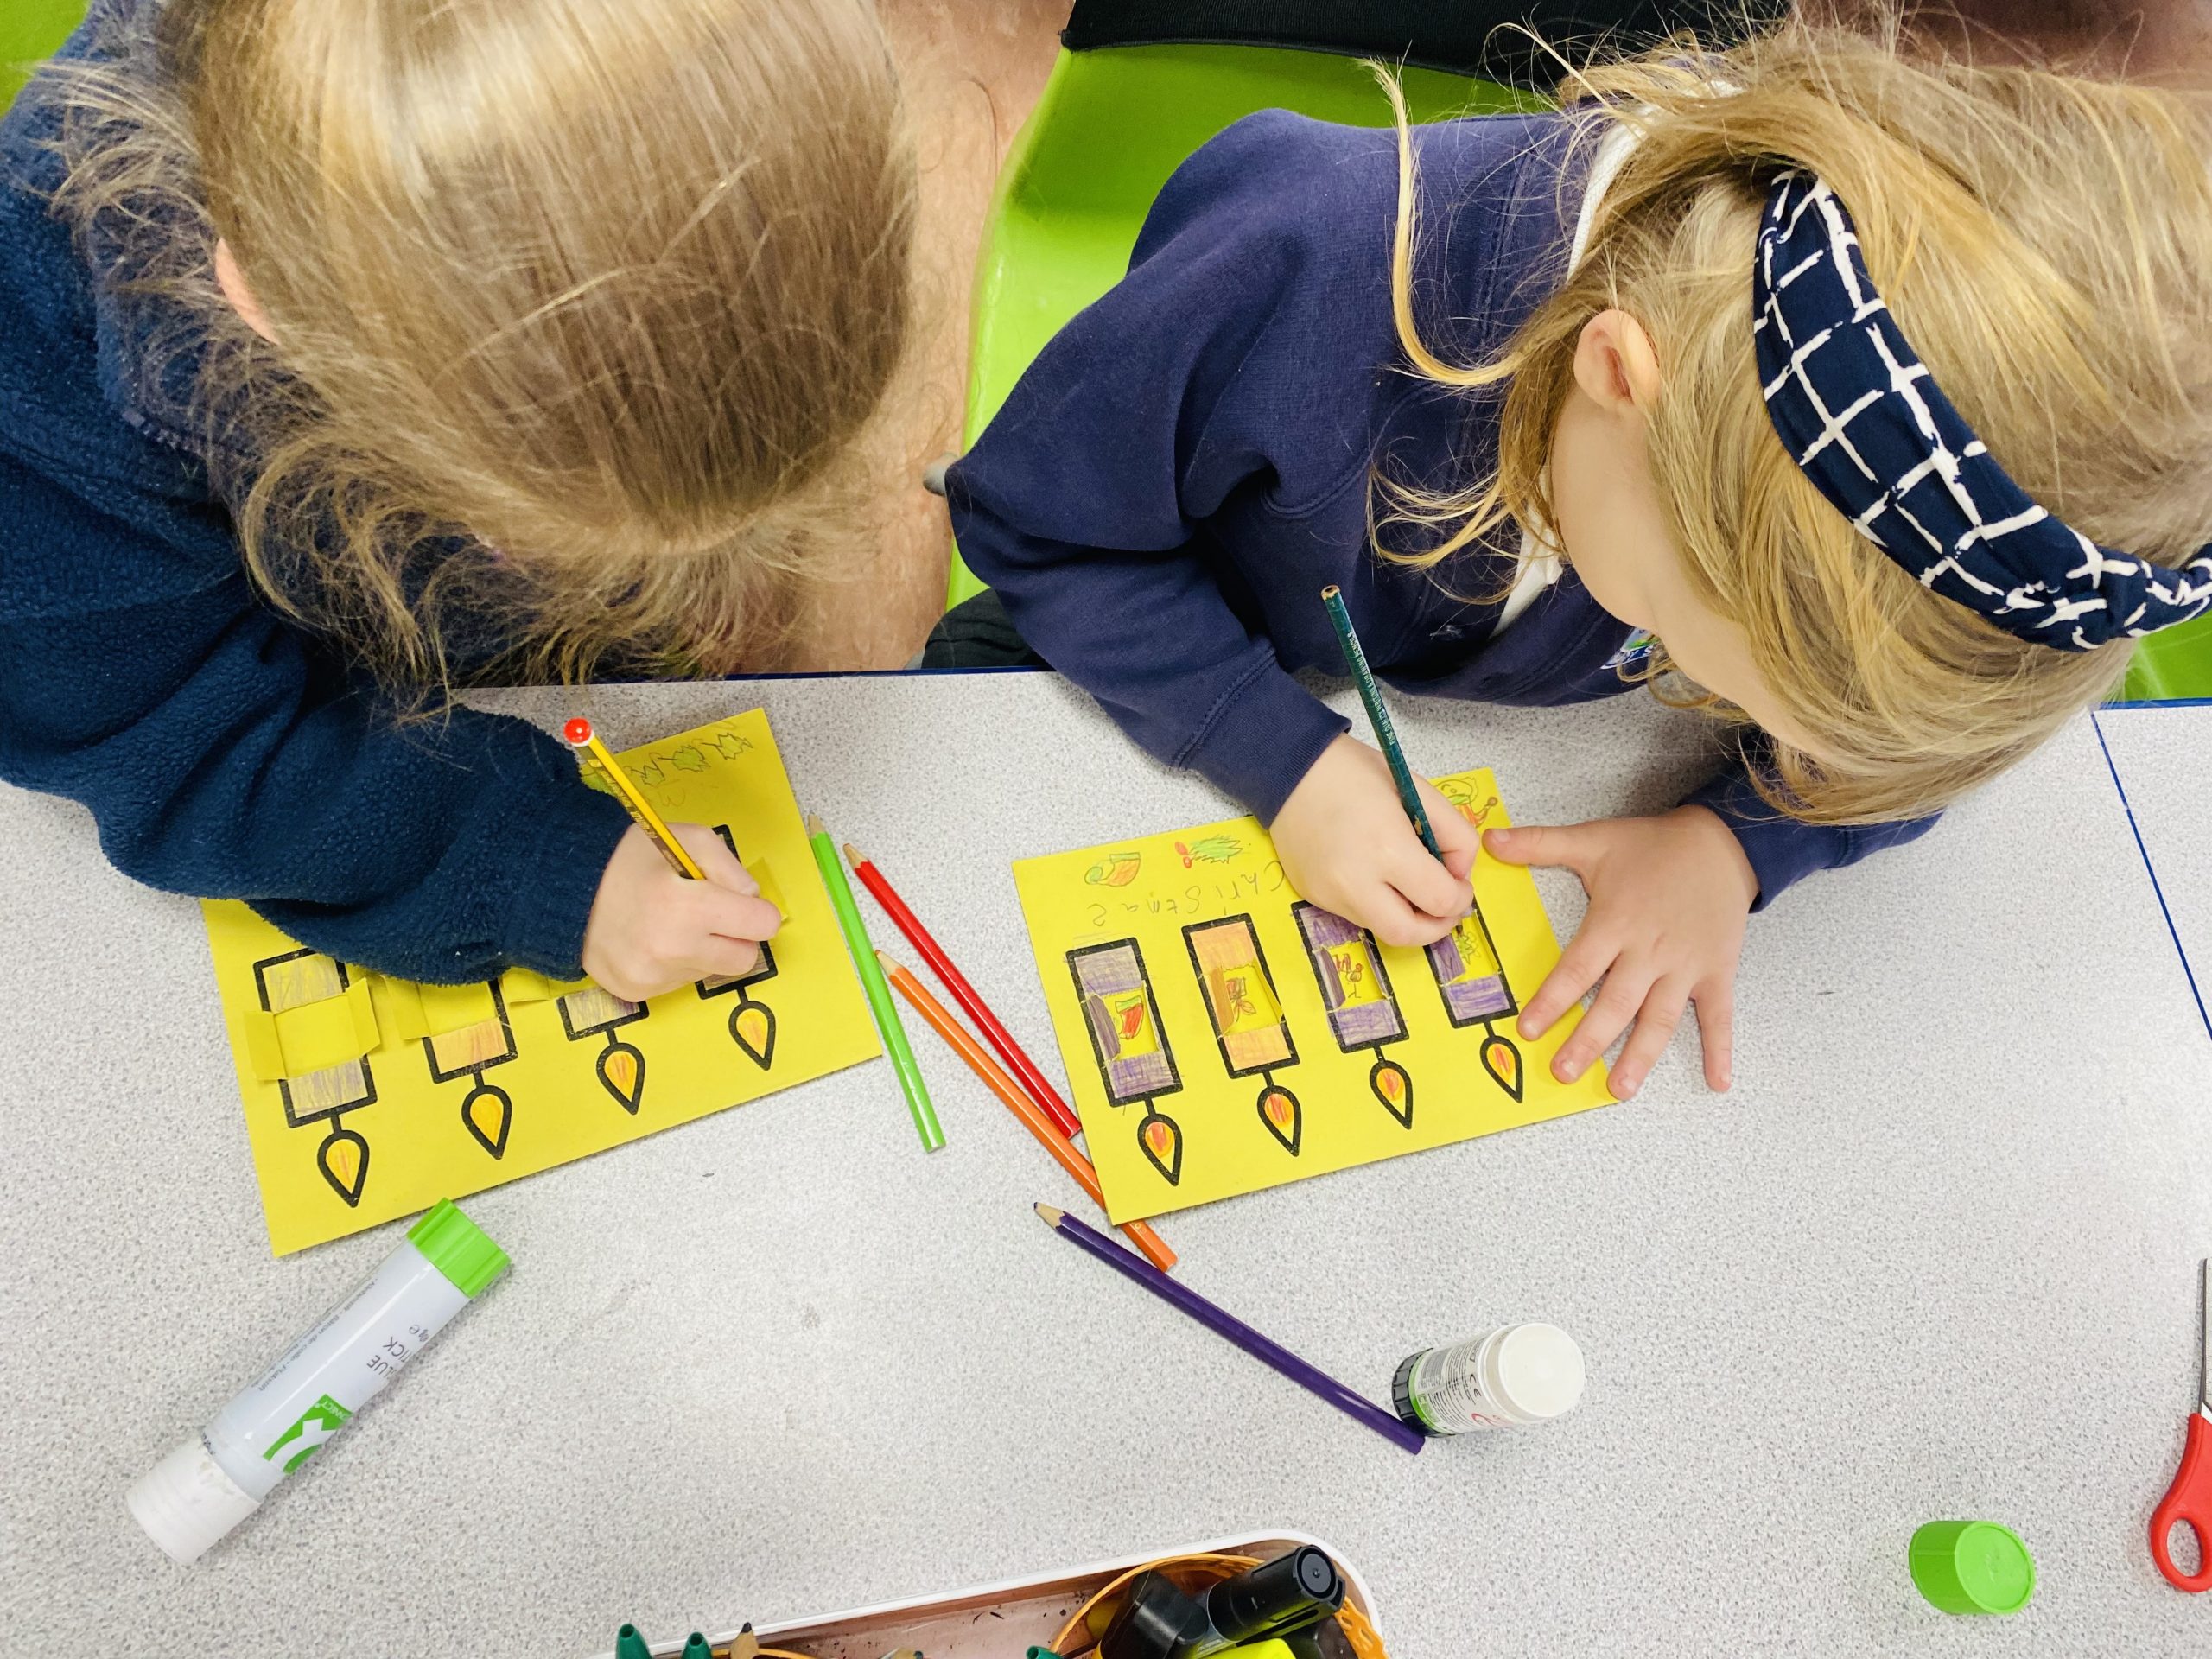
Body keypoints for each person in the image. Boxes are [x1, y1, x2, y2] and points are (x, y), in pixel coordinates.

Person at [944, 18, 2212, 1099]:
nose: (1784, 742)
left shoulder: (1912, 554)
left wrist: (1737, 843)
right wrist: (1279, 758)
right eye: (1704, 659)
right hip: (1146, 621)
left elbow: (1899, 740)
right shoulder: (1304, 256)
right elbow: (1034, 524)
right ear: (1616, 378)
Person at [0, 0, 915, 998]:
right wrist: (528, 861)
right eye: (528, 530)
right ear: (261, 298)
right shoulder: (36, 378)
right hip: (344, 722)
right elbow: (184, 740)